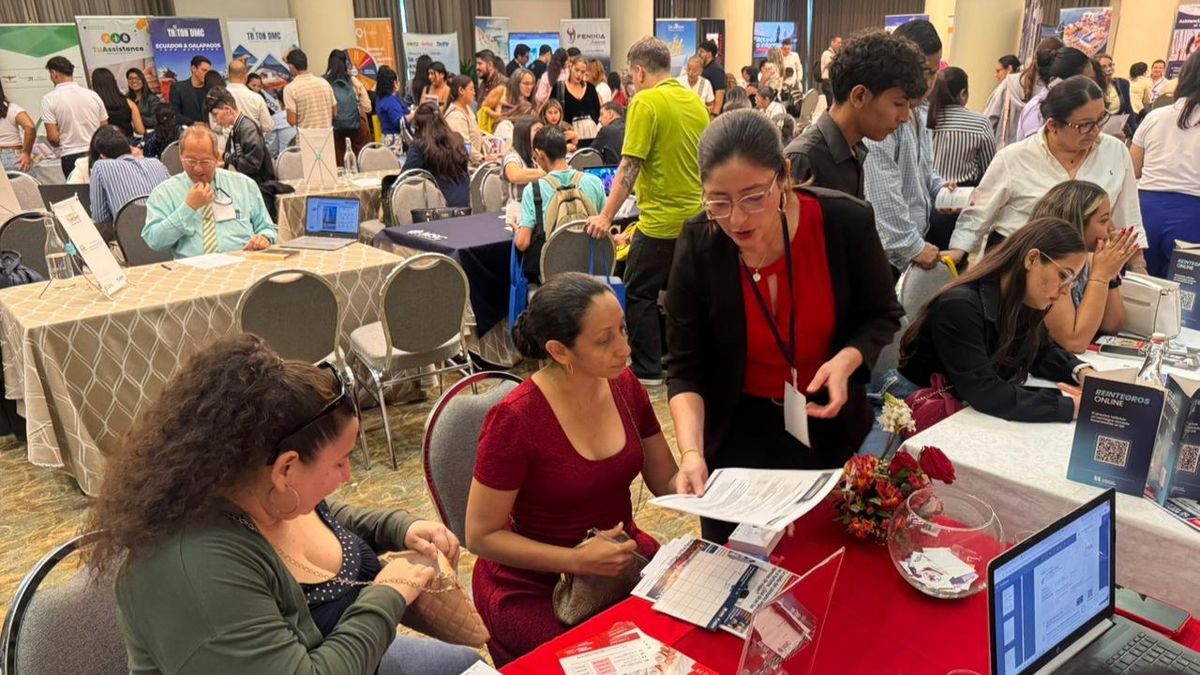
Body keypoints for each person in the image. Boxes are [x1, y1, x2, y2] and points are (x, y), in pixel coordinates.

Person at [84, 334, 482, 675]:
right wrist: (389, 593)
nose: (348, 476)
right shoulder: (196, 572)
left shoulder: (254, 489)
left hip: (357, 657)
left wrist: (395, 527)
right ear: (286, 468)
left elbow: (325, 517)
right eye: (340, 462)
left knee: (470, 664)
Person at [665, 110, 902, 543]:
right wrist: (692, 452)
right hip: (736, 434)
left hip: (824, 420)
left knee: (822, 550)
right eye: (718, 202)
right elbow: (684, 367)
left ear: (784, 175)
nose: (737, 219)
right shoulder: (700, 242)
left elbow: (881, 314)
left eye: (753, 197)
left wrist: (847, 360)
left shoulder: (843, 222)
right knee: (735, 560)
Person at [467, 273, 692, 666]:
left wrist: (696, 472)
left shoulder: (625, 385)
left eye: (623, 329)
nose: (625, 348)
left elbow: (665, 480)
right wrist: (577, 561)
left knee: (687, 638)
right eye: (605, 340)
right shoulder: (516, 419)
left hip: (619, 559)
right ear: (559, 351)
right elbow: (480, 536)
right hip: (537, 583)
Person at [584, 37, 710, 386]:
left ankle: (647, 369)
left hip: (659, 224)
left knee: (638, 291)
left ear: (639, 72)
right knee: (683, 296)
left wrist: (605, 217)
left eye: (631, 74)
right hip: (696, 222)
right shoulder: (696, 102)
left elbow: (629, 165)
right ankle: (679, 362)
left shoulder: (645, 101)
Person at [900, 217, 1095, 423]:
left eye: (1072, 281)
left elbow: (1041, 352)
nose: (1065, 290)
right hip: (912, 410)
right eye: (1064, 276)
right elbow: (983, 390)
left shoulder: (1024, 300)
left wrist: (1082, 373)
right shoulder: (960, 305)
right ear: (1032, 259)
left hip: (960, 409)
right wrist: (1072, 407)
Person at [946, 76, 1147, 273]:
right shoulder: (1014, 158)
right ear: (1052, 126)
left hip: (1087, 266)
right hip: (1021, 264)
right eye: (1084, 125)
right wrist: (957, 253)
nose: (1095, 131)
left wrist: (1138, 266)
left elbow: (1127, 215)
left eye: (1101, 119)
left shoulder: (1115, 151)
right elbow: (979, 213)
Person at [785, 30, 927, 199]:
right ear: (859, 96)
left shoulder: (855, 149)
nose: (905, 117)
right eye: (898, 104)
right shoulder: (803, 160)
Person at [862, 20, 955, 276]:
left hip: (914, 239)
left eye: (935, 72)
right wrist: (914, 247)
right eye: (925, 72)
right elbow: (882, 195)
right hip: (888, 253)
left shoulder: (919, 110)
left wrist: (941, 189)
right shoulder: (883, 116)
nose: (930, 82)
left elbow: (921, 170)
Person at [1032, 180, 1136, 352]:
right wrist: (1100, 277)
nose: (1112, 227)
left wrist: (1110, 277)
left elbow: (1112, 325)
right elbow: (1074, 342)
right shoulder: (1048, 262)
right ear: (1077, 224)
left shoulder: (1089, 260)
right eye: (1103, 221)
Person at [143, 125, 276, 258]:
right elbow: (155, 241)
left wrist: (264, 238)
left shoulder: (244, 185)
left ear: (217, 157)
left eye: (205, 162)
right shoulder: (164, 193)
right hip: (191, 267)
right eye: (191, 161)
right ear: (180, 156)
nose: (198, 169)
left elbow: (268, 227)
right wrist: (188, 208)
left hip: (241, 262)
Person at [1131, 50, 1200, 277]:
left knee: (1139, 287)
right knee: (1186, 291)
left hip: (1146, 210)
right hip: (1193, 215)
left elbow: (1133, 168)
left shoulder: (1155, 116)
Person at [514, 126, 607, 280]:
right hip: (592, 273)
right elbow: (606, 227)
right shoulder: (594, 182)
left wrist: (517, 230)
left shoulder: (534, 190)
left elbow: (522, 243)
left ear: (539, 154)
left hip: (553, 279)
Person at [927, 66, 996, 249]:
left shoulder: (927, 118)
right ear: (963, 93)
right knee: (953, 258)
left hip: (925, 201)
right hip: (960, 205)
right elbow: (988, 171)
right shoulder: (980, 123)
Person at [984, 37, 1062, 149]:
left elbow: (989, 121)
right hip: (1038, 155)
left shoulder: (1009, 83)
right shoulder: (1057, 90)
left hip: (1004, 152)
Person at [87, 125, 170, 227]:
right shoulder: (157, 163)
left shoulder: (100, 166)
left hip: (129, 233)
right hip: (167, 230)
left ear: (102, 157)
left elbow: (100, 218)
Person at [41, 56, 108, 177]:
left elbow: (53, 138)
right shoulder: (93, 95)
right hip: (96, 153)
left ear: (54, 73)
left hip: (70, 155)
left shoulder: (49, 99)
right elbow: (104, 128)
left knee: (77, 188)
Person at [1016, 47, 1095, 140]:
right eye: (1084, 81)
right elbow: (1035, 146)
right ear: (1057, 81)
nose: (1089, 86)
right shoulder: (1036, 110)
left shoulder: (1071, 106)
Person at [403, 104, 469, 208]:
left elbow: (405, 177)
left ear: (417, 125)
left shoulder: (420, 145)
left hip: (438, 207)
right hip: (465, 204)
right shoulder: (458, 139)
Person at [206, 88, 275, 185]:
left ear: (227, 110)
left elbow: (251, 165)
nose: (214, 120)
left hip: (260, 186)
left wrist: (225, 156)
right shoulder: (238, 128)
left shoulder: (247, 129)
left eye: (215, 114)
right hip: (251, 183)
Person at [324, 50, 371, 167]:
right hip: (356, 127)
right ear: (345, 63)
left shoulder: (324, 83)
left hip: (335, 130)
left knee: (340, 163)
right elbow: (367, 107)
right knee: (360, 161)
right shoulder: (353, 81)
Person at [225, 59, 276, 143]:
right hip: (252, 143)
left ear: (228, 75)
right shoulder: (257, 98)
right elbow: (268, 126)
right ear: (246, 77)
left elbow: (215, 126)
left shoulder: (218, 96)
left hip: (227, 145)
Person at [284, 49, 336, 129]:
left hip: (306, 135)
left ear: (291, 66)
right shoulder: (324, 83)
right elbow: (334, 113)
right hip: (327, 134)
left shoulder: (290, 89)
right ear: (306, 64)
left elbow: (292, 121)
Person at [90, 68, 145, 139]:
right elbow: (140, 130)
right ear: (113, 82)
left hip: (107, 143)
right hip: (128, 142)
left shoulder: (95, 104)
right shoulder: (129, 102)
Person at [501, 116, 544, 207]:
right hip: (517, 208)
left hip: (537, 206)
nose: (542, 133)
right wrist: (547, 173)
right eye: (537, 130)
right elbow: (514, 176)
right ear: (524, 133)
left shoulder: (538, 154)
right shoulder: (512, 155)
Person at [444, 75, 486, 166]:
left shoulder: (467, 108)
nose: (474, 93)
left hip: (473, 163)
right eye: (471, 89)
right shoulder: (455, 116)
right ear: (461, 90)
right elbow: (464, 145)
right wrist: (482, 159)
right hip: (464, 167)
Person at [560, 55, 601, 144]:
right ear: (571, 67)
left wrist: (589, 124)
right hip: (569, 136)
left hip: (590, 134)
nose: (579, 74)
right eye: (577, 70)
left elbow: (598, 111)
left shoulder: (590, 88)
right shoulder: (560, 88)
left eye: (582, 72)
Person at [0, 80, 35, 172]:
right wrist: (26, 153)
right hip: (13, 157)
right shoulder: (12, 108)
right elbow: (30, 127)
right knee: (26, 181)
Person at [375, 67, 409, 157]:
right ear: (394, 83)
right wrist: (414, 114)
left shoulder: (380, 98)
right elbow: (399, 121)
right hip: (394, 141)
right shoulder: (390, 101)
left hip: (385, 137)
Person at [167, 55, 211, 125]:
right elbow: (174, 114)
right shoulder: (178, 88)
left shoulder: (211, 88)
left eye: (209, 71)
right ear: (193, 69)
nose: (207, 74)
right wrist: (193, 123)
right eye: (204, 70)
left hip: (210, 129)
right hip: (188, 129)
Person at [1096, 53, 1133, 117]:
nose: (1108, 69)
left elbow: (1128, 109)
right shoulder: (1092, 87)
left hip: (1118, 121)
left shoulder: (1122, 83)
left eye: (1110, 65)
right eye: (1103, 67)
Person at [126, 67, 162, 132]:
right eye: (130, 78)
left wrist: (136, 117)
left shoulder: (153, 99)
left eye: (137, 78)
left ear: (143, 80)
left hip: (150, 133)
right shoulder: (125, 99)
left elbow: (155, 120)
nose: (134, 81)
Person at [697, 40, 727, 116]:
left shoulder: (716, 70)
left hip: (712, 114)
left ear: (709, 54)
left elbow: (720, 92)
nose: (698, 54)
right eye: (699, 51)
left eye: (701, 51)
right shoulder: (704, 67)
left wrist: (715, 114)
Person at [819, 36, 843, 104]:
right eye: (838, 43)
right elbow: (831, 66)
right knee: (831, 103)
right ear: (832, 43)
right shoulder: (827, 53)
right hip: (827, 81)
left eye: (841, 43)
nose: (840, 45)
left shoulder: (835, 54)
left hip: (832, 81)